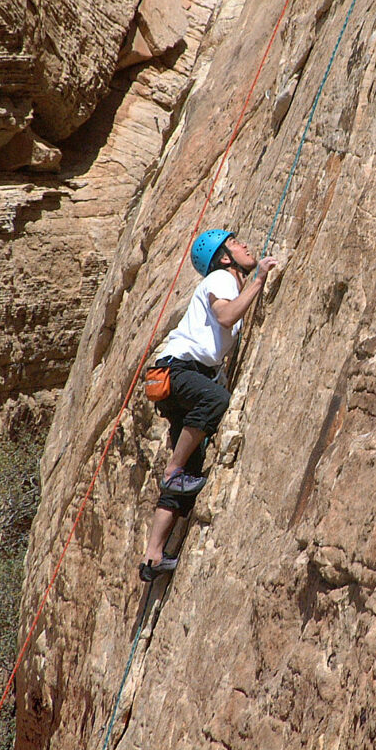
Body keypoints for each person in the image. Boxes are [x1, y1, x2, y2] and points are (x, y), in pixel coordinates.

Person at [139, 228, 277, 582]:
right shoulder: (221, 277)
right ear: (225, 257)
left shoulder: (227, 278)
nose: (245, 244)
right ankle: (172, 469)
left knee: (193, 465)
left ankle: (153, 556)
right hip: (177, 369)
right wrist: (259, 278)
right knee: (215, 402)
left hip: (173, 375)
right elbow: (226, 316)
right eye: (235, 243)